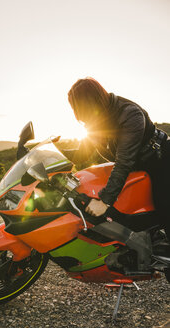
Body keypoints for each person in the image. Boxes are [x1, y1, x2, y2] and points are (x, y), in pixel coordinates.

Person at [68, 77, 170, 272]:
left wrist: (104, 201)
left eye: (82, 110)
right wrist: (49, 158)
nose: (81, 117)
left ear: (93, 103)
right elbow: (82, 153)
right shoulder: (95, 120)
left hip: (161, 161)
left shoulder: (129, 115)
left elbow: (124, 162)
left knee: (166, 209)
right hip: (137, 168)